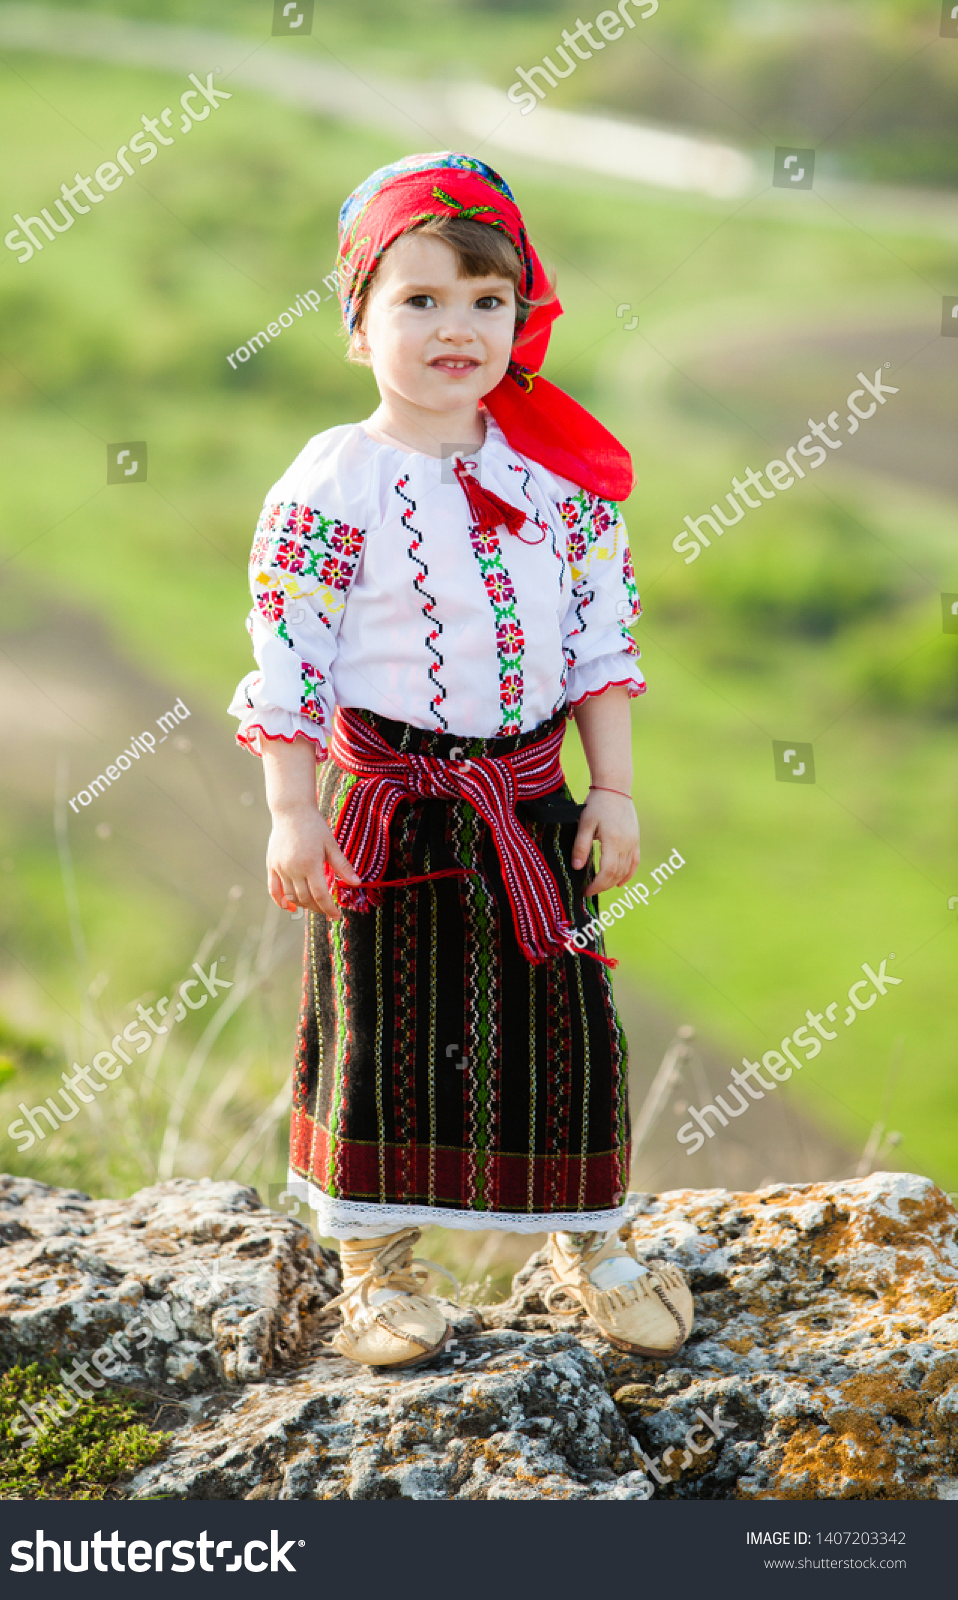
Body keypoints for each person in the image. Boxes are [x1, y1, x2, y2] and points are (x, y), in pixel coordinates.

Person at [230, 152, 692, 1368]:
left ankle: (585, 1237)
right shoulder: (331, 481)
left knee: (568, 1031)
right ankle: (374, 1270)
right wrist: (291, 813)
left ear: (520, 315)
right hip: (388, 804)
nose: (456, 329)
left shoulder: (566, 483)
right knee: (379, 1028)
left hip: (531, 803)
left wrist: (617, 790)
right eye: (419, 301)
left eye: (486, 301)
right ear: (356, 323)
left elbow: (601, 646)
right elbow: (289, 662)